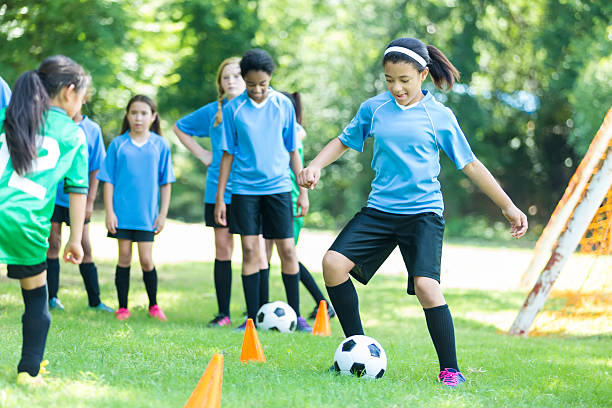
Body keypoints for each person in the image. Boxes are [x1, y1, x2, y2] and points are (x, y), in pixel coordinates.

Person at [299, 37, 528, 387]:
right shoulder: (374, 108)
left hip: (423, 214)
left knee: (426, 286)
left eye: (404, 80)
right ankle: (358, 348)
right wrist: (315, 165)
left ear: (422, 74)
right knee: (333, 264)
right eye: (390, 80)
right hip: (380, 210)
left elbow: (470, 164)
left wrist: (508, 207)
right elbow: (344, 141)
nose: (396, 87)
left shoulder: (439, 116)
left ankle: (450, 369)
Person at [0, 55, 90, 385]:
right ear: (69, 92)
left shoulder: (12, 115)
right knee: (36, 298)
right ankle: (28, 372)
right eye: (82, 97)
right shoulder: (74, 134)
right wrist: (75, 238)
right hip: (25, 221)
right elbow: (78, 190)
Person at [215, 49, 311, 331]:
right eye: (251, 84)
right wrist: (221, 198)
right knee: (249, 251)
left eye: (263, 84)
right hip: (244, 189)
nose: (257, 90)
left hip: (279, 188)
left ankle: (295, 316)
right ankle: (251, 320)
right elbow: (227, 155)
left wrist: (302, 191)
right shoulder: (233, 109)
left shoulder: (284, 105)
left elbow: (294, 150)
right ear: (244, 80)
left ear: (270, 79)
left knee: (287, 251)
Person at [174, 57, 254, 328]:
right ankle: (223, 314)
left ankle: (253, 314)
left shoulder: (253, 109)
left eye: (236, 76)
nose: (231, 81)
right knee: (223, 249)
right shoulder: (213, 111)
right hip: (217, 191)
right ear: (220, 83)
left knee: (251, 250)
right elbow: (180, 127)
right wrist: (203, 154)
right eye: (226, 77)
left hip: (249, 190)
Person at [98, 95, 175, 321]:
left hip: (147, 215)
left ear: (153, 117)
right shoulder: (118, 144)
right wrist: (110, 212)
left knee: (146, 260)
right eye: (134, 113)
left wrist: (162, 214)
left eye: (143, 113)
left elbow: (166, 182)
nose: (138, 118)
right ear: (127, 115)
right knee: (123, 257)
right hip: (122, 214)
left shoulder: (159, 145)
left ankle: (154, 305)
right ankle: (123, 307)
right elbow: (108, 180)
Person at [265, 91, 335, 321]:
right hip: (279, 199)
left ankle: (322, 303)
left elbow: (297, 167)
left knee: (288, 254)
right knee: (280, 253)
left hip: (289, 200)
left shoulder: (291, 133)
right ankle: (320, 303)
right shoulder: (289, 130)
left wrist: (302, 195)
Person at [46, 106, 113, 312]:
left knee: (84, 245)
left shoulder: (91, 129)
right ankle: (51, 299)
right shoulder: (52, 124)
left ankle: (95, 301)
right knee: (53, 243)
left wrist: (90, 201)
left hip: (79, 198)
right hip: (53, 197)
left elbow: (95, 169)